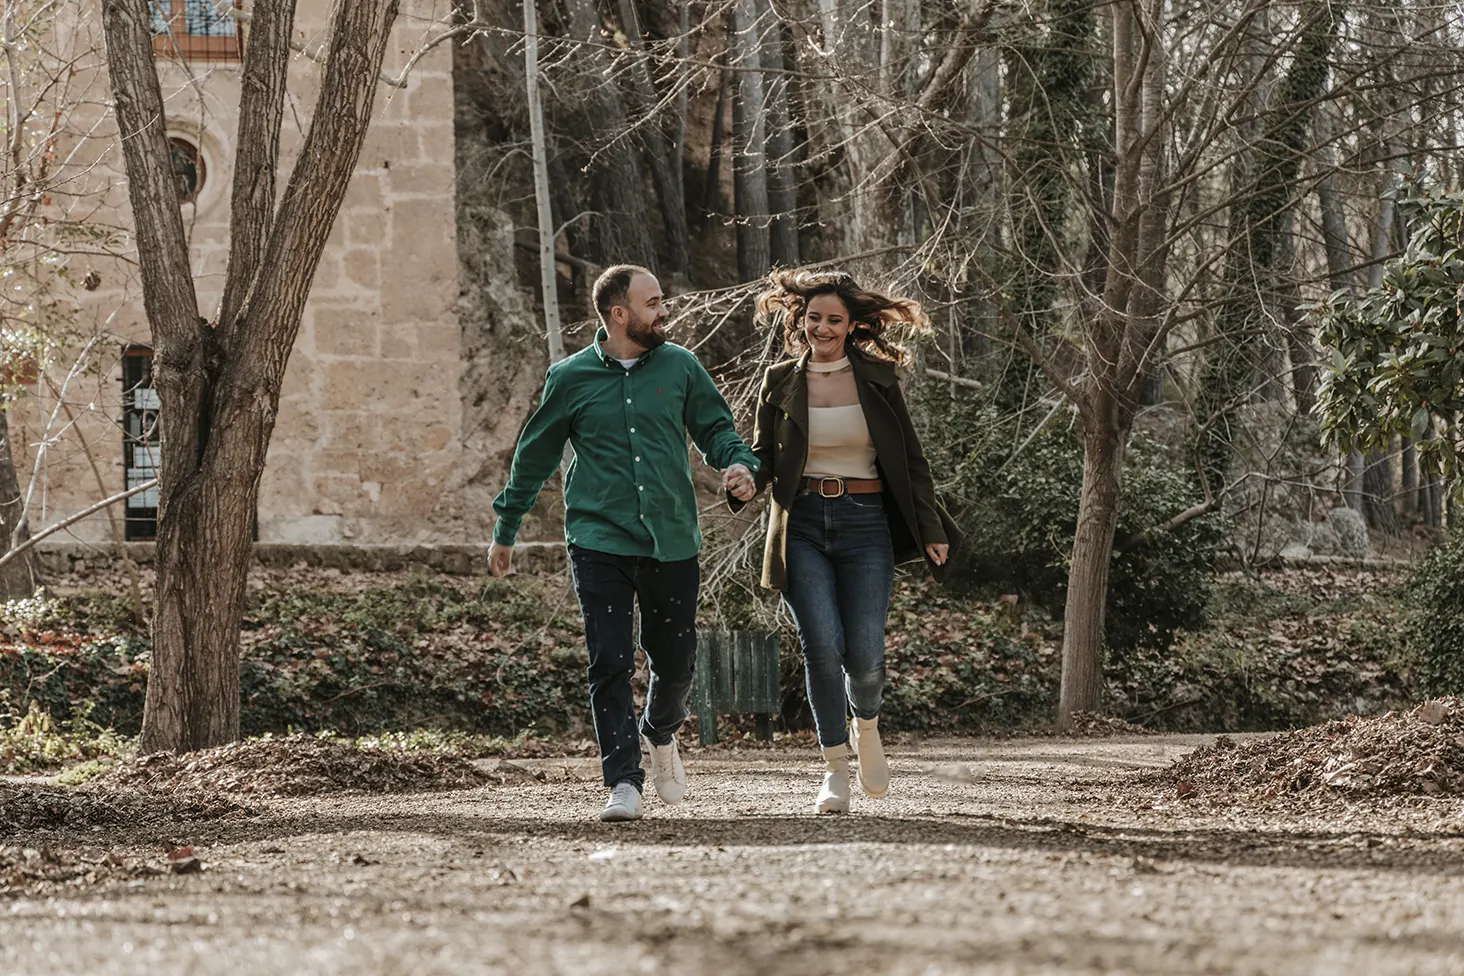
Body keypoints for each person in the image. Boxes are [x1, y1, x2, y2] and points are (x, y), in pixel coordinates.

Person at [489, 264, 758, 823]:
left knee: (676, 662)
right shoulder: (570, 377)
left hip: (671, 538)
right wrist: (506, 528)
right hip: (599, 538)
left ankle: (659, 732)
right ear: (619, 313)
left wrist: (737, 462)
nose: (664, 311)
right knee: (608, 661)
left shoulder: (680, 366)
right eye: (653, 302)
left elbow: (716, 428)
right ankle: (623, 782)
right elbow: (534, 457)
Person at [731, 268, 962, 814]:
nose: (823, 328)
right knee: (820, 646)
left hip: (865, 524)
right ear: (800, 320)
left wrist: (931, 529)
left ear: (852, 324)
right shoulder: (780, 378)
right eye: (814, 318)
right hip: (802, 522)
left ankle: (868, 728)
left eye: (834, 319)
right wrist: (746, 479)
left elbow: (909, 459)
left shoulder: (878, 378)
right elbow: (765, 457)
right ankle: (835, 769)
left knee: (863, 652)